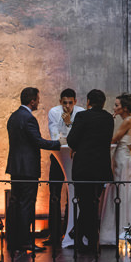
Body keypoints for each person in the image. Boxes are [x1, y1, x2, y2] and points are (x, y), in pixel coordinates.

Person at [5, 87, 61, 258]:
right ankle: (25, 241)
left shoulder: (13, 117)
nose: (38, 102)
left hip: (15, 168)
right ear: (32, 101)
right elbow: (37, 141)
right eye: (37, 99)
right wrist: (58, 144)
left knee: (16, 204)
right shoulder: (29, 118)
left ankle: (14, 240)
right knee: (26, 205)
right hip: (27, 169)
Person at [66, 89, 114, 254]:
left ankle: (83, 237)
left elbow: (71, 139)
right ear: (103, 103)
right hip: (101, 166)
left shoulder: (82, 117)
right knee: (92, 203)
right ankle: (87, 238)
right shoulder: (109, 118)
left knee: (85, 203)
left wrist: (78, 146)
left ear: (88, 102)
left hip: (84, 167)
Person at [99, 93, 131, 246]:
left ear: (124, 108)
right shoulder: (129, 121)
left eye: (117, 105)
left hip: (123, 162)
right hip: (123, 160)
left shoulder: (128, 121)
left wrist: (108, 121)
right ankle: (120, 229)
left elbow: (112, 138)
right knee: (121, 194)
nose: (114, 107)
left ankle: (123, 229)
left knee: (122, 194)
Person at [46, 88, 84, 246]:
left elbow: (79, 137)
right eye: (64, 103)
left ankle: (73, 231)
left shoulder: (81, 113)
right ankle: (54, 234)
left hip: (76, 156)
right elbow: (55, 137)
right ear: (60, 102)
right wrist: (69, 133)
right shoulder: (53, 112)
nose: (67, 106)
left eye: (70, 102)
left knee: (74, 192)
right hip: (58, 155)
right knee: (54, 192)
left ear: (75, 102)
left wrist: (69, 124)